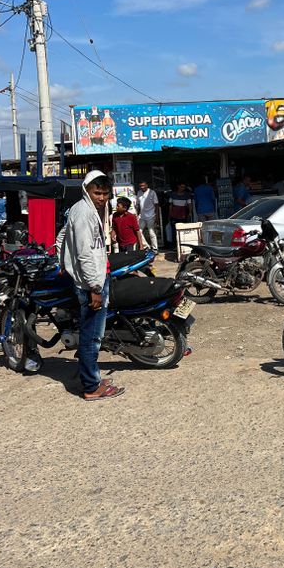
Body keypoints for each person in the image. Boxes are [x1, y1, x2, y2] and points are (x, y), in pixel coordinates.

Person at [60, 171, 124, 401]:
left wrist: (61, 259)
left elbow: (63, 235)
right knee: (92, 336)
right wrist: (95, 288)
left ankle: (93, 378)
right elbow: (85, 254)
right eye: (97, 193)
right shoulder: (84, 212)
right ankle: (91, 387)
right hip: (90, 283)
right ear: (87, 190)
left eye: (105, 193)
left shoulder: (91, 210)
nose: (102, 198)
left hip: (96, 277)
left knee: (93, 334)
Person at [135, 180, 159, 252]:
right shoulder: (139, 193)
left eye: (143, 185)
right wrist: (137, 214)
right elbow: (138, 205)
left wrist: (157, 216)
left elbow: (156, 204)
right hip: (142, 216)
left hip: (151, 215)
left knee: (151, 232)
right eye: (141, 186)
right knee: (139, 231)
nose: (142, 187)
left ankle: (155, 248)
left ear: (147, 185)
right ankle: (146, 246)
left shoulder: (152, 193)